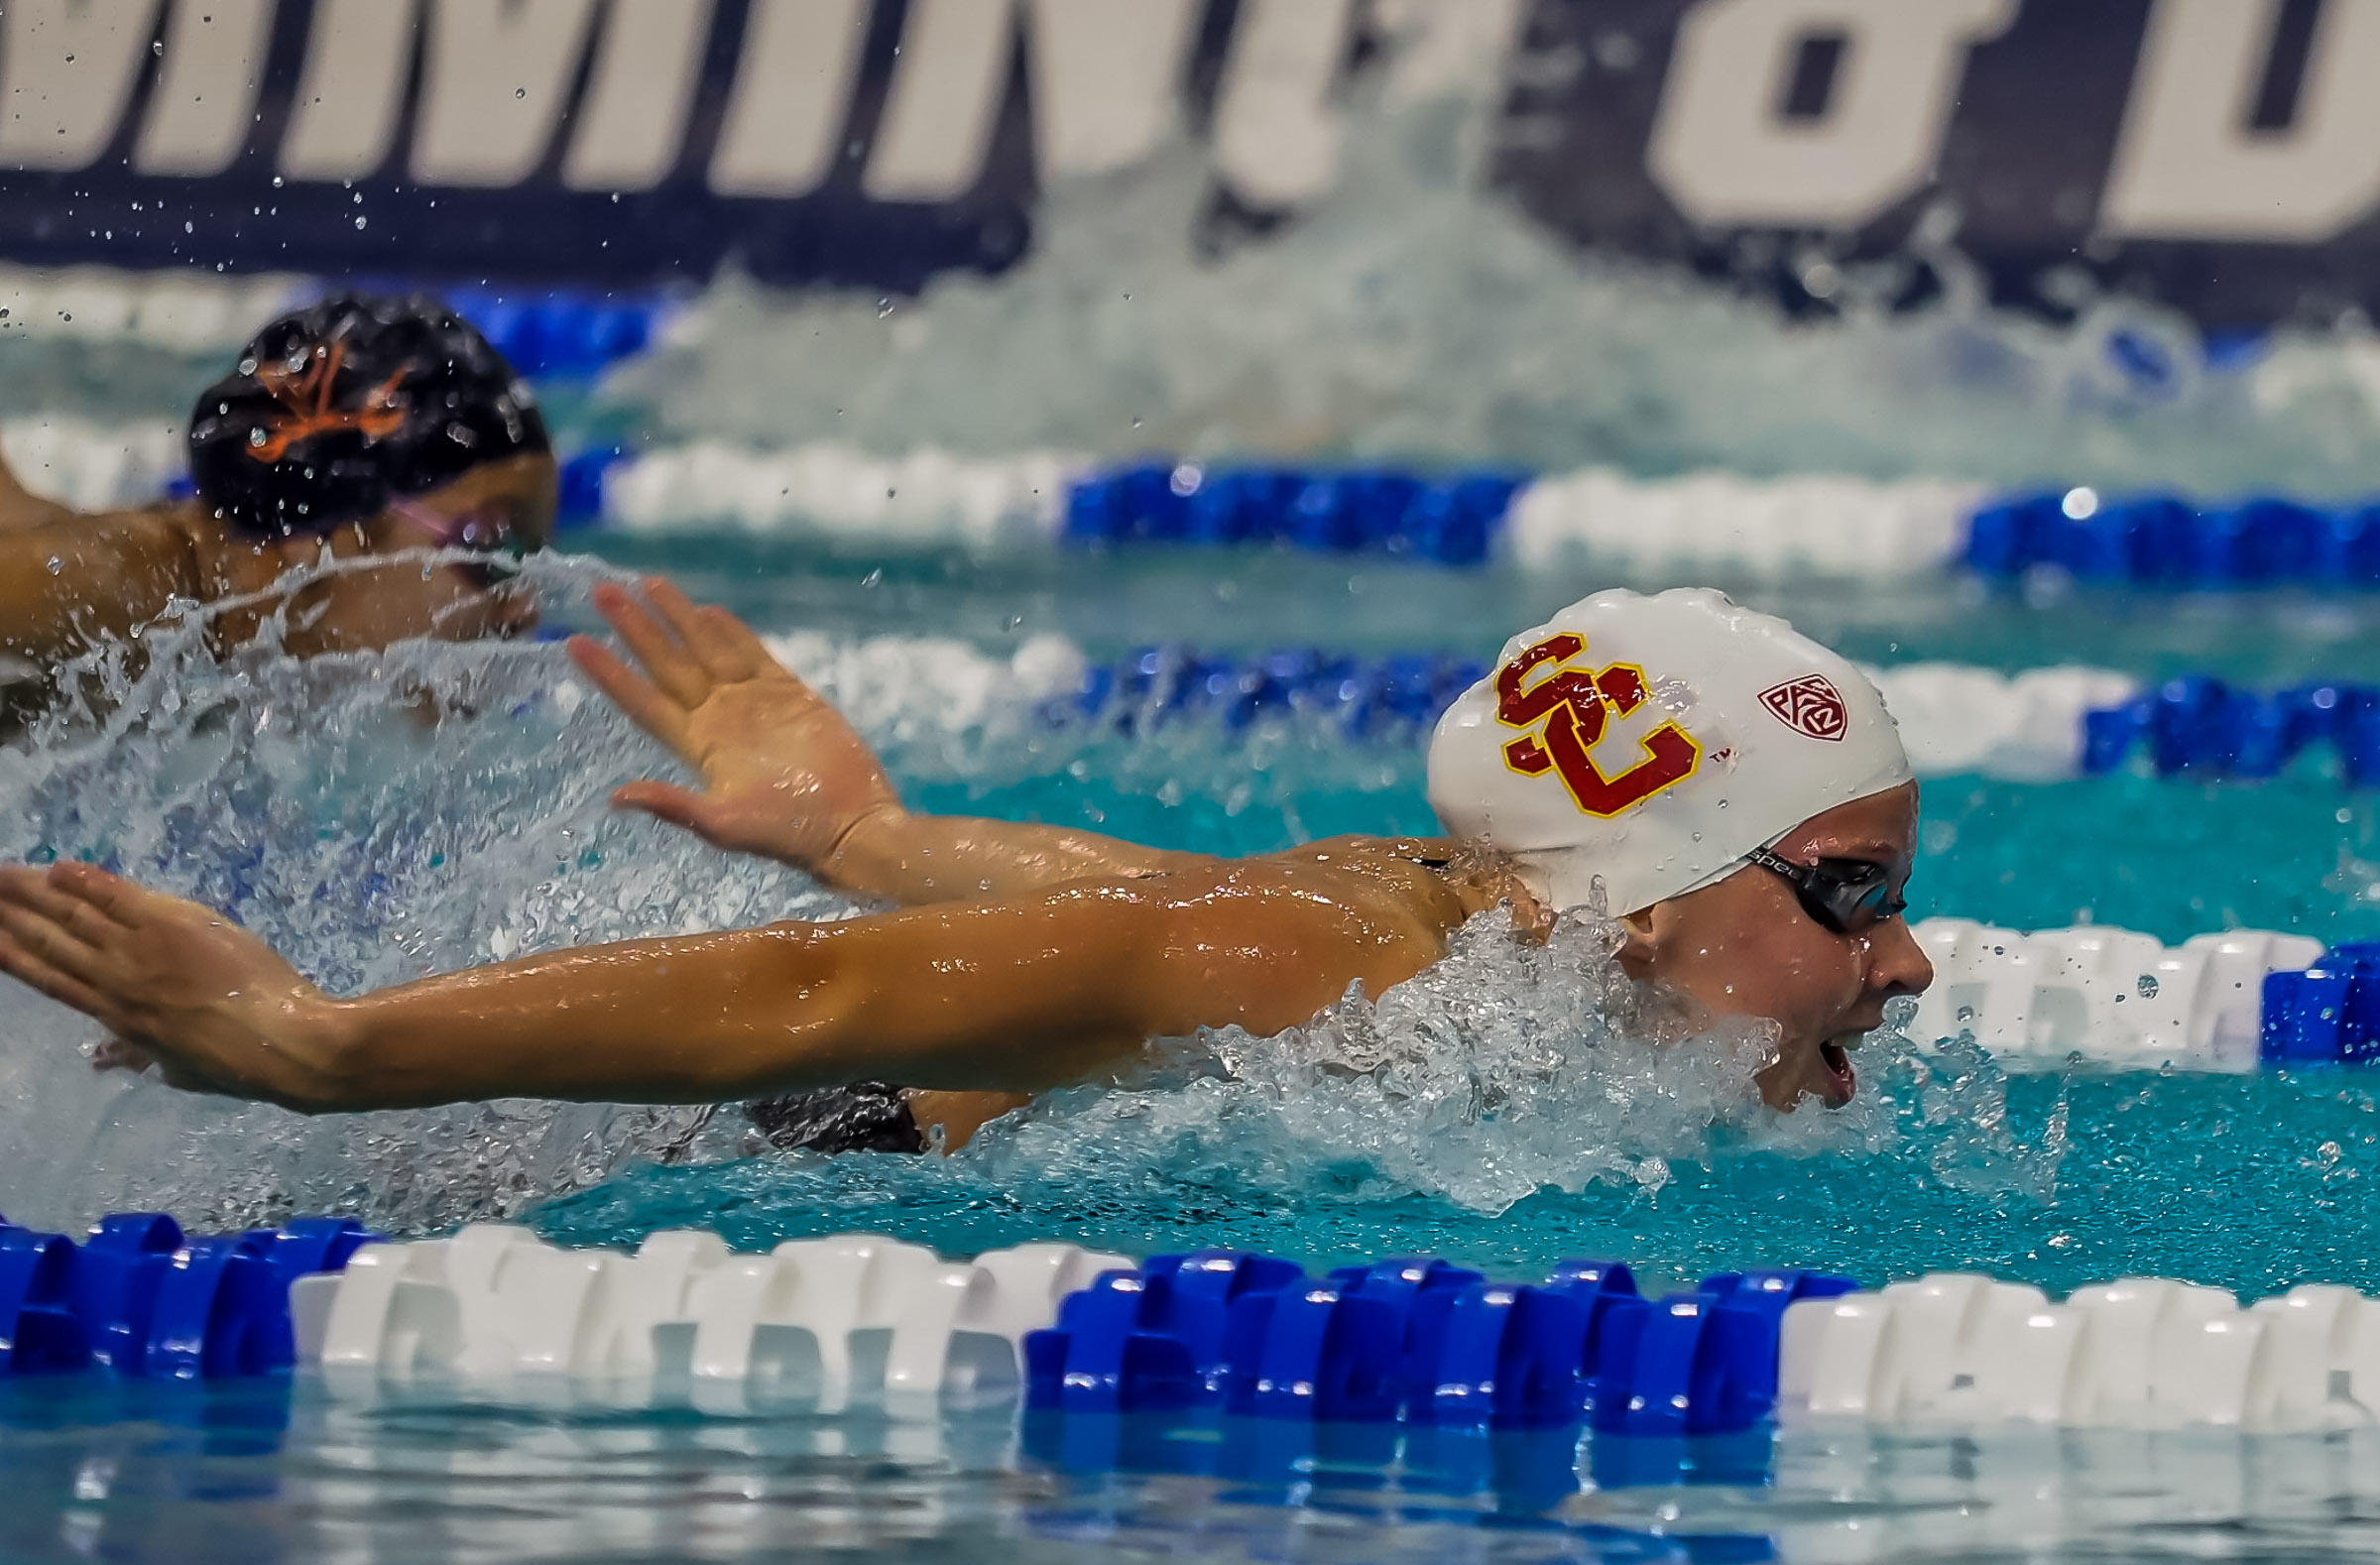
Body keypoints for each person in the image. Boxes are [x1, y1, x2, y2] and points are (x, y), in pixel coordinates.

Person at [0, 582, 1934, 1150]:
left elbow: (1135, 904)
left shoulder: (1471, 916)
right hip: (695, 1169)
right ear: (1645, 895)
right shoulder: (1354, 962)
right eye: (1851, 891)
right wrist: (319, 1046)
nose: (1912, 963)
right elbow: (806, 997)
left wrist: (867, 837)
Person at [0, 293, 555, 677]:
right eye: (493, 549)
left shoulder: (216, 645)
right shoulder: (123, 595)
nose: (522, 611)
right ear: (330, 537)